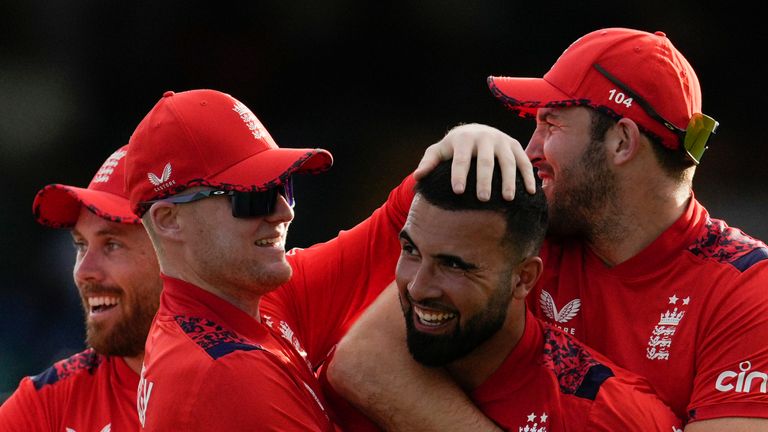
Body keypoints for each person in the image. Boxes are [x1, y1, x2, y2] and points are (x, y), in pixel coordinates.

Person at [327, 28, 768, 431]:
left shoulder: (749, 290)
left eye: (550, 124)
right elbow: (365, 361)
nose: (529, 149)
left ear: (622, 142)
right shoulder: (520, 222)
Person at [123, 89, 527, 430]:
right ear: (169, 220)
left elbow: (390, 228)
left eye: (284, 186)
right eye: (253, 197)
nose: (284, 211)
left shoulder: (251, 300)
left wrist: (461, 146)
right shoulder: (224, 375)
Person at [324, 159, 682, 431]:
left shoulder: (607, 413)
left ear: (523, 279)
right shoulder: (343, 385)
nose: (418, 287)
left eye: (455, 266)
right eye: (411, 251)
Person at [0, 145, 162, 431]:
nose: (82, 271)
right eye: (80, 245)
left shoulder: (251, 375)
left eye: (112, 244)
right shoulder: (47, 402)